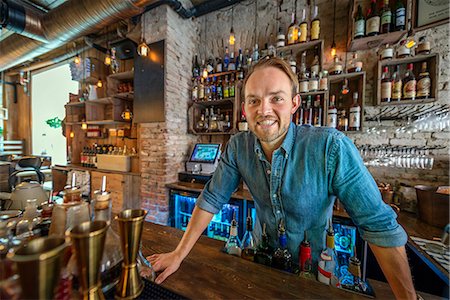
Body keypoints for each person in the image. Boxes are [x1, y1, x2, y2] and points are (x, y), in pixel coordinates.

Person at [148, 57, 416, 299]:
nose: (263, 110)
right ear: (244, 109)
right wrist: (178, 254)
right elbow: (212, 198)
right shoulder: (238, 147)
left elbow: (379, 225)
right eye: (254, 100)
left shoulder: (330, 147)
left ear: (294, 104)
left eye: (276, 98)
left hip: (314, 274)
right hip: (260, 266)